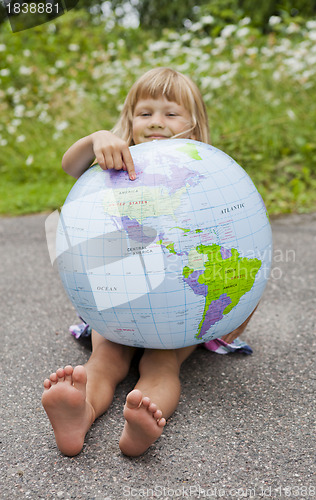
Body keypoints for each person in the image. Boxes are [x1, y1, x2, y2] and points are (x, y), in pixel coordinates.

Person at [42, 67, 255, 458]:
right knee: (105, 357)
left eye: (171, 113)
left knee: (161, 363)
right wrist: (95, 139)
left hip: (183, 307)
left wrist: (239, 302)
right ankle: (80, 412)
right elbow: (71, 166)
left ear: (194, 125)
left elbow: (242, 241)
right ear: (130, 121)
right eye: (145, 113)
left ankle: (140, 425)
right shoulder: (113, 158)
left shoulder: (206, 174)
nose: (157, 121)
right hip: (118, 297)